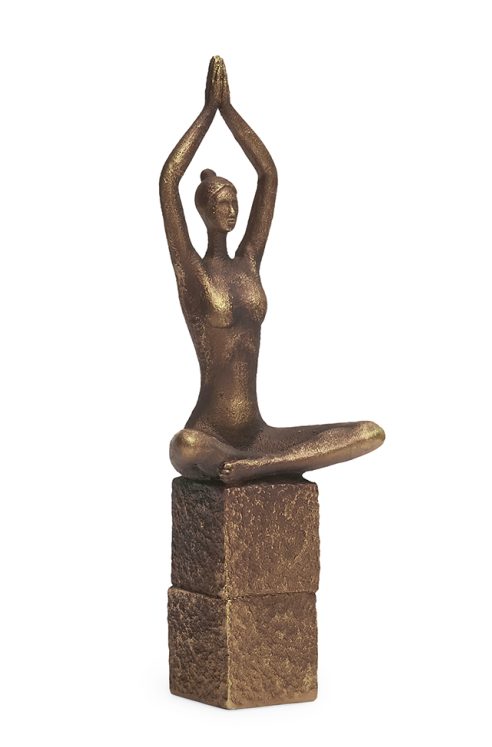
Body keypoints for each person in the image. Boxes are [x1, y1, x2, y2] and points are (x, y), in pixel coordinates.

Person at [160, 57, 384, 485]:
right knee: (183, 446)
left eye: (234, 202)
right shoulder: (194, 274)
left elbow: (268, 175)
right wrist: (208, 112)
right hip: (210, 434)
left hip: (257, 435)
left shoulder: (248, 262)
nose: (231, 210)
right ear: (203, 210)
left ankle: (257, 467)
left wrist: (230, 112)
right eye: (222, 203)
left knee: (368, 432)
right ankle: (259, 465)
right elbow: (169, 180)